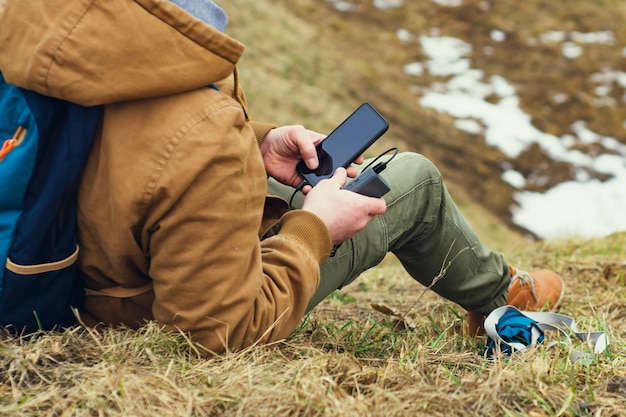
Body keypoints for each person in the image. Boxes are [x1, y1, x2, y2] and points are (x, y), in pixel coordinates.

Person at [0, 0, 563, 352]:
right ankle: (501, 293)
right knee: (409, 176)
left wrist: (256, 140)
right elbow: (214, 330)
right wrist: (315, 227)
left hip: (68, 263)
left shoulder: (38, 34)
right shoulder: (199, 129)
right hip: (123, 303)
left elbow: (119, 148)